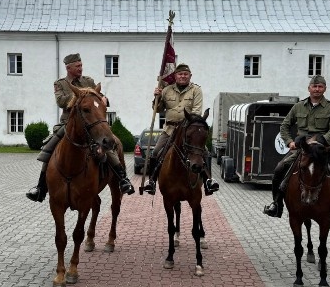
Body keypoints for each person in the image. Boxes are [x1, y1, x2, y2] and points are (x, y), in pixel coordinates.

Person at [26, 53, 135, 202]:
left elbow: (99, 96)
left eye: (81, 65)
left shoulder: (88, 80)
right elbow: (61, 101)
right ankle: (41, 187)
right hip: (69, 123)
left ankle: (122, 178)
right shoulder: (60, 83)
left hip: (90, 123)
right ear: (68, 67)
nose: (80, 68)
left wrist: (104, 99)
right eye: (77, 66)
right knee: (51, 146)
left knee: (108, 144)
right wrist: (80, 96)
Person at [263, 75, 330, 226]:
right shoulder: (298, 106)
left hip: (323, 149)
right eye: (314, 86)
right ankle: (276, 205)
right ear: (309, 88)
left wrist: (321, 140)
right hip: (302, 149)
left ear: (324, 89)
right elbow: (284, 126)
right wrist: (289, 141)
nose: (317, 89)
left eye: (320, 87)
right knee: (279, 169)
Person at [142, 63, 219, 196]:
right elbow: (159, 109)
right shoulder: (166, 90)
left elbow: (196, 112)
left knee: (205, 152)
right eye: (180, 74)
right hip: (169, 129)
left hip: (188, 129)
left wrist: (185, 127)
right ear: (175, 76)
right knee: (156, 152)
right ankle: (152, 181)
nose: (183, 76)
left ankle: (208, 181)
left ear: (190, 76)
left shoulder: (196, 90)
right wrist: (157, 97)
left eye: (185, 74)